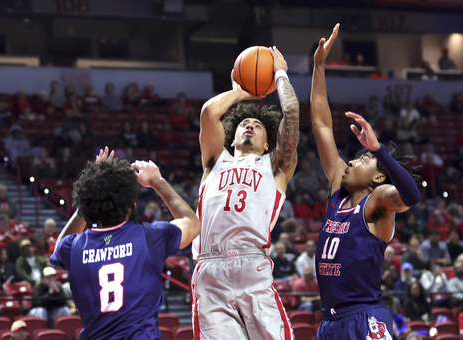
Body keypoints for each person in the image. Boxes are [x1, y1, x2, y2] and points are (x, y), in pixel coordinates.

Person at [310, 24, 421, 339]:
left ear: (378, 176)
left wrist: (378, 149)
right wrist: (318, 67)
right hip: (329, 323)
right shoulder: (337, 194)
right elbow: (320, 124)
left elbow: (411, 196)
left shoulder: (379, 202)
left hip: (365, 318)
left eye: (361, 159)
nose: (351, 162)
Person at [192, 45, 298, 339]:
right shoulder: (215, 160)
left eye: (257, 125)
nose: (249, 125)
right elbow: (208, 113)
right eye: (243, 124)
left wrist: (279, 74)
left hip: (252, 263)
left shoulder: (275, 166)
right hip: (210, 268)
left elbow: (291, 112)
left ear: (268, 143)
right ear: (232, 136)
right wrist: (240, 92)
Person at [50, 147, 200, 339]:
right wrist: (158, 183)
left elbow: (59, 246)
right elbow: (193, 224)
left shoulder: (74, 247)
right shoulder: (150, 236)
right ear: (130, 202)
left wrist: (90, 197)